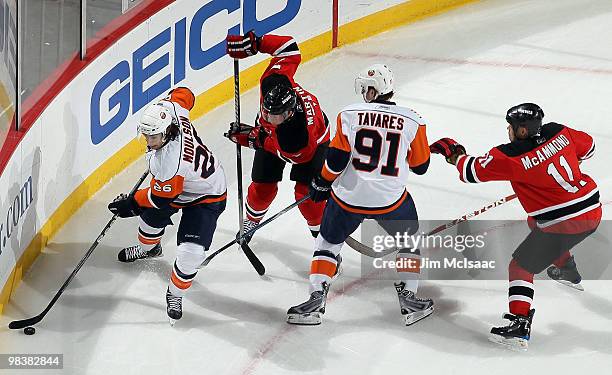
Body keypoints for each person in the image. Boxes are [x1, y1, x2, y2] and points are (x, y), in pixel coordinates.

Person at [430, 103, 601, 350]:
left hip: (562, 222)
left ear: (521, 130)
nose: (508, 130)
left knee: (520, 266)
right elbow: (589, 148)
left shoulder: (510, 155)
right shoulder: (558, 131)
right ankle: (567, 269)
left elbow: (471, 171)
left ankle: (520, 325)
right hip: (592, 211)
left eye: (510, 126)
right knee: (536, 222)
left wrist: (454, 153)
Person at [286, 64, 434, 326]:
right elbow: (421, 167)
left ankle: (316, 299)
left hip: (348, 199)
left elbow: (337, 159)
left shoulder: (348, 114)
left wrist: (321, 182)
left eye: (366, 88)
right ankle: (409, 297)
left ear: (372, 90)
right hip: (390, 201)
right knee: (409, 241)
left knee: (327, 244)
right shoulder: (413, 120)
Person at [108, 87, 227, 324]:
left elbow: (159, 199)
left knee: (191, 254)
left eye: (154, 138)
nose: (149, 142)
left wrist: (131, 204)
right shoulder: (172, 110)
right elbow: (185, 94)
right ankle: (150, 249)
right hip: (178, 184)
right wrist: (169, 99)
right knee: (147, 227)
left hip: (206, 195)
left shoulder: (170, 162)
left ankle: (175, 293)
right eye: (147, 137)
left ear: (167, 132)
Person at [224, 31, 330, 242]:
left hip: (314, 146)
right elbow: (289, 48)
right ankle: (251, 221)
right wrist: (255, 43)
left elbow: (285, 153)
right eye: (266, 113)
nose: (270, 118)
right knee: (261, 186)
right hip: (276, 141)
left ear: (290, 113)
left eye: (277, 116)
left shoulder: (298, 137)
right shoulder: (272, 82)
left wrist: (255, 138)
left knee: (306, 198)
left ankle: (326, 244)